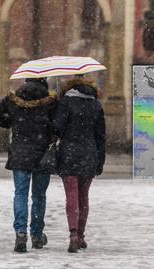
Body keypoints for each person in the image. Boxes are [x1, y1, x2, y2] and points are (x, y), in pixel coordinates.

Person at [0, 78, 56, 253]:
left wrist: (11, 122)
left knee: (20, 194)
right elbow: (58, 125)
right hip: (42, 155)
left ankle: (20, 233)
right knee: (39, 196)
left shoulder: (13, 100)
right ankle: (37, 234)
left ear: (26, 81)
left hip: (20, 153)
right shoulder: (50, 102)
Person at [53, 75, 106, 253]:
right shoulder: (96, 104)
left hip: (68, 153)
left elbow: (57, 128)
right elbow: (101, 136)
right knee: (84, 197)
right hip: (89, 154)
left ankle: (73, 234)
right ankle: (81, 236)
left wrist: (56, 109)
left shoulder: (66, 101)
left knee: (71, 196)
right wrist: (100, 160)